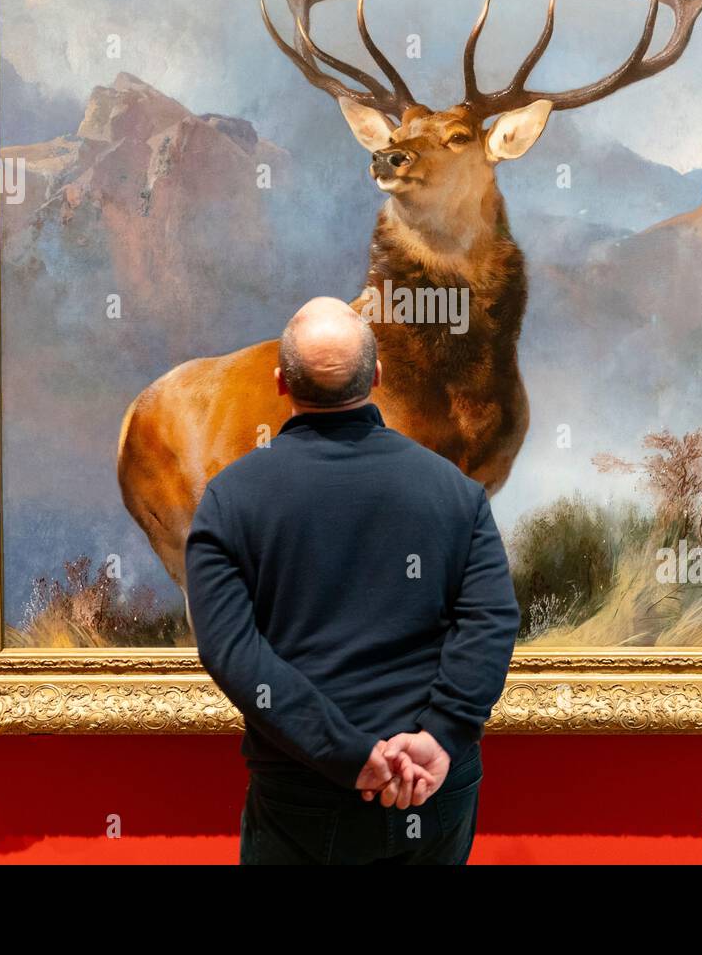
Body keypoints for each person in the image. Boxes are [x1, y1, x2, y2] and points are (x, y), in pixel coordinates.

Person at [184, 296, 520, 864]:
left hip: (305, 792)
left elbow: (231, 650)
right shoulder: (455, 492)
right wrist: (440, 737)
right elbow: (491, 620)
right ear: (378, 376)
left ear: (280, 383)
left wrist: (349, 756)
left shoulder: (230, 499)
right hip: (431, 785)